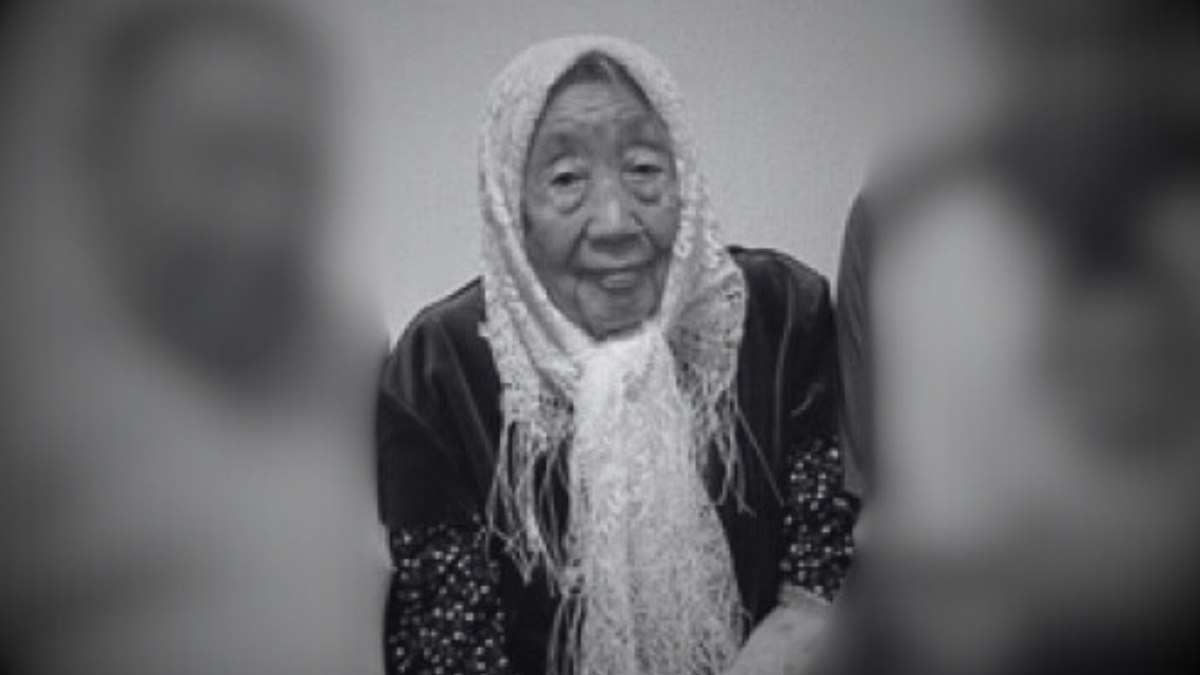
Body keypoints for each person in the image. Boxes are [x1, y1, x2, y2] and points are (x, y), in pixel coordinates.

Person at [377, 36, 856, 675]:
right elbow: (448, 645)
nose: (615, 223)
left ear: (685, 180)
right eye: (567, 180)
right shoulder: (442, 367)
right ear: (512, 209)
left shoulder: (778, 312)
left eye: (644, 169)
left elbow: (827, 571)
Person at [834, 0, 1200, 672]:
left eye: (1116, 41)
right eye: (1051, 40)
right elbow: (890, 499)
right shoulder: (905, 221)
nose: (1085, 75)